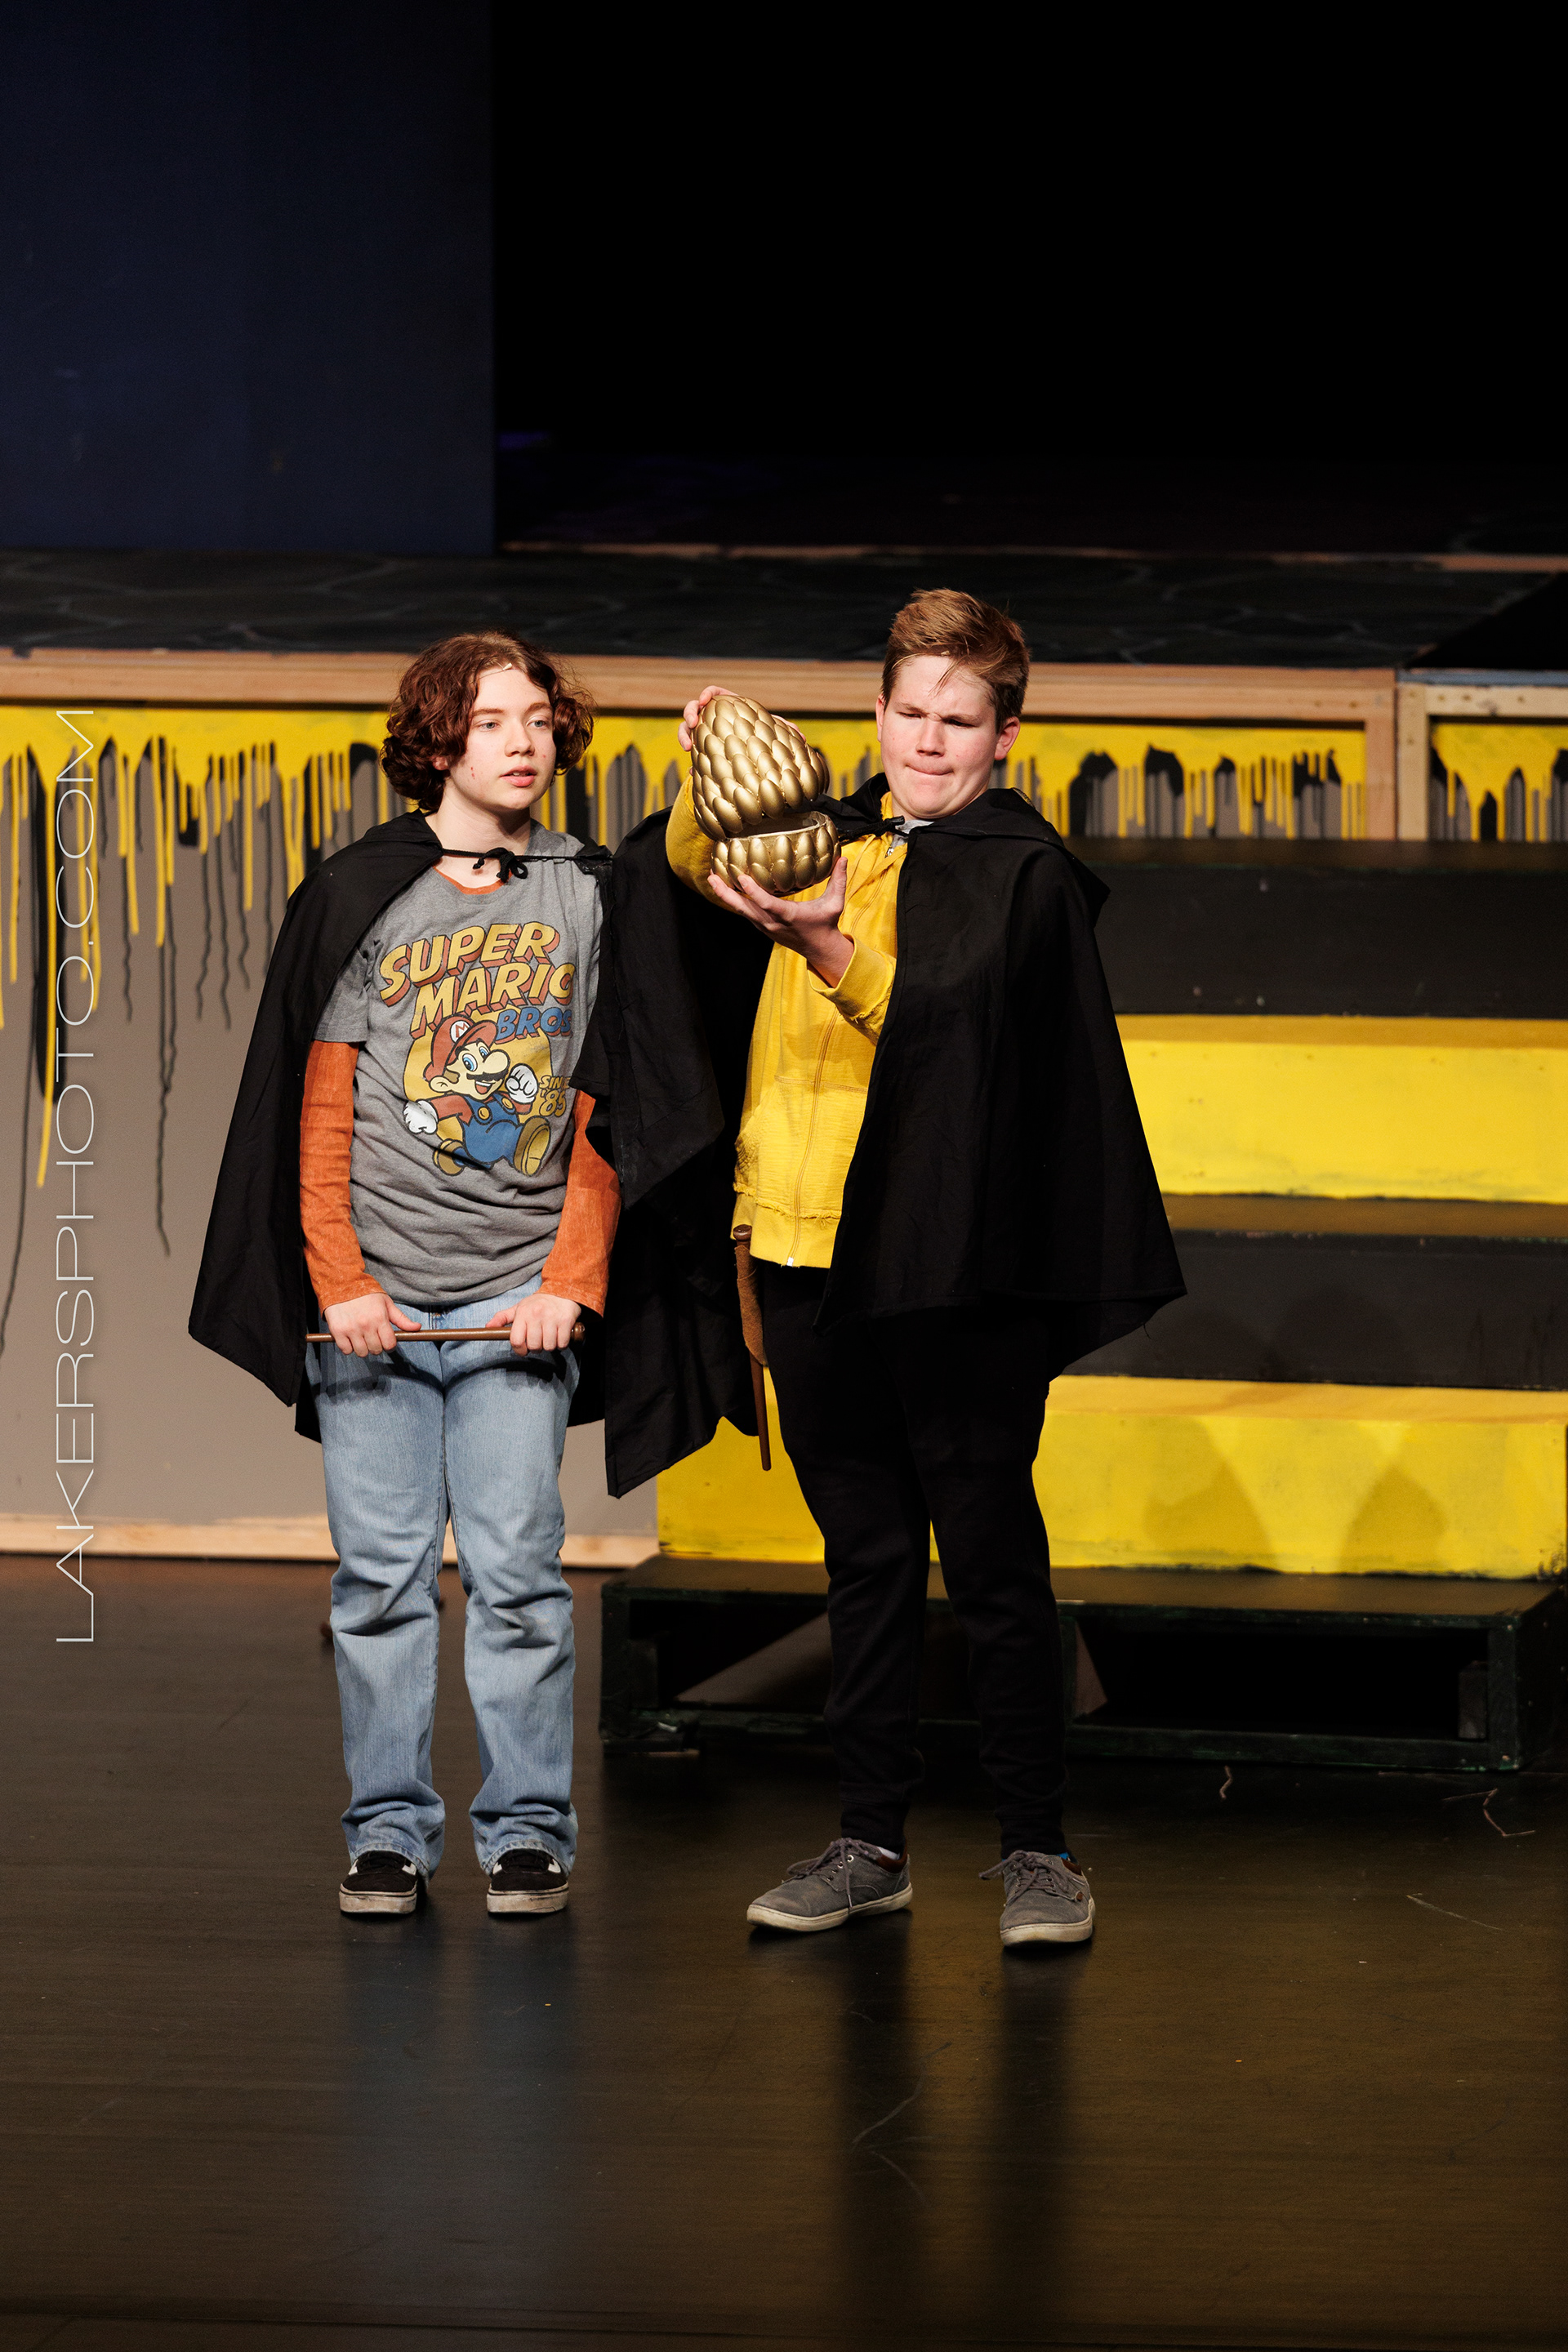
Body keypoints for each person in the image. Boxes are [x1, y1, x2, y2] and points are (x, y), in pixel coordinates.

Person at [578, 590, 1182, 1949]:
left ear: (1005, 736)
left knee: (992, 1561)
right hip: (798, 1247)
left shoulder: (1023, 873)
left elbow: (961, 1031)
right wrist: (714, 767)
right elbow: (686, 874)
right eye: (910, 712)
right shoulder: (828, 834)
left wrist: (827, 946)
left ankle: (1037, 1851)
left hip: (951, 1265)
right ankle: (869, 1842)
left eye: (958, 720)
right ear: (879, 713)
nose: (927, 740)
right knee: (863, 1560)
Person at [191, 632, 619, 1918]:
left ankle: (527, 1830)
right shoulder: (365, 893)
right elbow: (316, 1110)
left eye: (536, 718)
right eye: (491, 722)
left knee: (519, 1577)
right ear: (437, 743)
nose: (523, 742)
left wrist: (569, 1281)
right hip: (375, 1299)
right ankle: (388, 1832)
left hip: (514, 1297)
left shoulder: (587, 893)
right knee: (378, 1583)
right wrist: (340, 1285)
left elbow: (611, 1105)